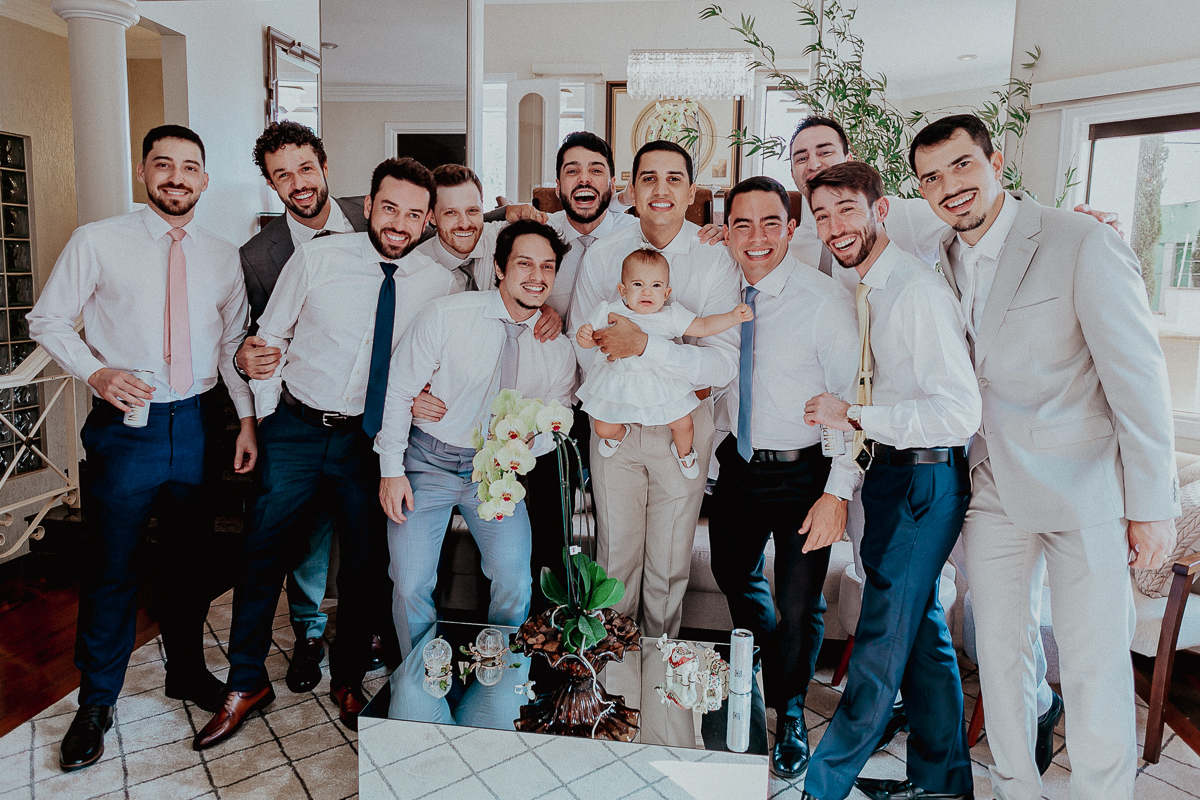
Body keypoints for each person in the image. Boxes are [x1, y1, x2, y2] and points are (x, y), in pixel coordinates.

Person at [911, 114, 1181, 800]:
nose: (949, 186)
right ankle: (1015, 788)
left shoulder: (1080, 240)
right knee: (999, 658)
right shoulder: (940, 253)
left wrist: (1151, 505)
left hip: (1082, 487)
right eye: (932, 177)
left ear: (996, 162)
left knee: (1093, 667)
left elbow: (1139, 379)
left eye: (962, 165)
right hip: (991, 486)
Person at [193, 157, 454, 749]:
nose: (399, 223)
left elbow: (439, 359)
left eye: (414, 214)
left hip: (368, 441)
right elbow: (270, 339)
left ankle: (348, 677)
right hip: (297, 428)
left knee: (364, 567)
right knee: (260, 557)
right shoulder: (318, 258)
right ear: (369, 205)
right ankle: (245, 682)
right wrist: (263, 421)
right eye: (390, 208)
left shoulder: (440, 285)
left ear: (429, 221)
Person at [28, 125, 257, 771]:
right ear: (143, 172)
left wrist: (245, 420)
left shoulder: (225, 256)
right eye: (164, 164)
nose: (176, 177)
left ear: (205, 179)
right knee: (112, 566)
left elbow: (230, 346)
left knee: (190, 562)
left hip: (200, 424)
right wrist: (96, 372)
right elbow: (46, 319)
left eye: (190, 167)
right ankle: (96, 702)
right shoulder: (97, 241)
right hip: (127, 427)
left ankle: (185, 670)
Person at [801, 162, 981, 800]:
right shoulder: (867, 289)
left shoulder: (914, 293)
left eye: (846, 209)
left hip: (923, 481)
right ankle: (942, 785)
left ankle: (821, 788)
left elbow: (958, 413)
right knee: (924, 636)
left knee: (879, 646)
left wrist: (854, 414)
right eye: (822, 215)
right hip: (890, 477)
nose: (834, 227)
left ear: (880, 211)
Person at [704, 176, 860, 778]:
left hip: (804, 473)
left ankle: (789, 710)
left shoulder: (824, 300)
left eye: (771, 222)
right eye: (741, 224)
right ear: (726, 232)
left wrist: (837, 492)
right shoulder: (718, 287)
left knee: (798, 605)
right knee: (731, 572)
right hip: (738, 465)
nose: (757, 237)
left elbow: (850, 402)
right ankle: (766, 669)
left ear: (792, 228)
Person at [376, 219, 575, 656]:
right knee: (409, 583)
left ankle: (498, 672)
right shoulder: (447, 316)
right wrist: (391, 470)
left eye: (547, 266)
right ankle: (422, 672)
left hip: (497, 475)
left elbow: (559, 422)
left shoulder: (559, 350)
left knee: (515, 579)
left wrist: (527, 446)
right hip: (426, 462)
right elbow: (399, 390)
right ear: (500, 268)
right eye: (524, 263)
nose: (537, 276)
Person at [568, 140, 740, 638]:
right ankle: (611, 669)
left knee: (668, 564)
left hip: (682, 424)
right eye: (648, 178)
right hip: (615, 422)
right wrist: (627, 382)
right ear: (630, 189)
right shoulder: (605, 254)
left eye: (673, 178)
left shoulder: (713, 257)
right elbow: (583, 341)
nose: (660, 189)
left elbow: (723, 362)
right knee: (615, 558)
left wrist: (643, 348)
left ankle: (659, 667)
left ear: (691, 192)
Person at [235, 120, 383, 696]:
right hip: (295, 413)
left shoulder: (373, 215)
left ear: (324, 166)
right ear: (271, 184)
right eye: (282, 175)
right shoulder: (259, 255)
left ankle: (360, 641)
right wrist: (249, 366)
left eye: (304, 168)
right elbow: (257, 336)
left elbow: (443, 224)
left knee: (364, 541)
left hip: (365, 420)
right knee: (300, 537)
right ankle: (307, 633)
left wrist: (511, 213)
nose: (297, 183)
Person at [575, 248, 752, 478]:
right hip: (620, 381)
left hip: (660, 381)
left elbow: (704, 326)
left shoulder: (669, 316)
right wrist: (585, 337)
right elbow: (592, 341)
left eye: (656, 285)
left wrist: (733, 317)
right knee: (603, 427)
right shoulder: (610, 312)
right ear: (623, 290)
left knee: (683, 424)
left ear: (666, 292)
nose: (647, 291)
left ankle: (685, 453)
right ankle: (618, 435)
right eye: (638, 284)